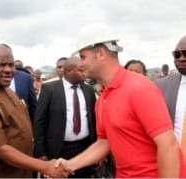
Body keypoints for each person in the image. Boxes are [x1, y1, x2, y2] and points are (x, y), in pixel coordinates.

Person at [55, 39, 183, 177]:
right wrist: (70, 165)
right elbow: (104, 142)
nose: (80, 63)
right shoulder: (103, 98)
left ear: (100, 53)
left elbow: (168, 145)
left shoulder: (139, 88)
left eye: (83, 57)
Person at [0, 44, 67, 178]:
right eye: (1, 65)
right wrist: (44, 167)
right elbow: (0, 149)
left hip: (22, 171)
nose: (8, 70)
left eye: (11, 65)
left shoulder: (6, 90)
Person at [33, 56, 97, 178]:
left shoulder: (89, 90)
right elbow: (39, 122)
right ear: (68, 71)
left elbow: (93, 121)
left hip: (85, 148)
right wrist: (40, 152)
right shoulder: (49, 89)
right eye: (81, 70)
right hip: (58, 149)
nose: (85, 74)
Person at [155, 35, 186, 163]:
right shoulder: (161, 85)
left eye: (185, 53)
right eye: (177, 55)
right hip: (174, 164)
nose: (182, 58)